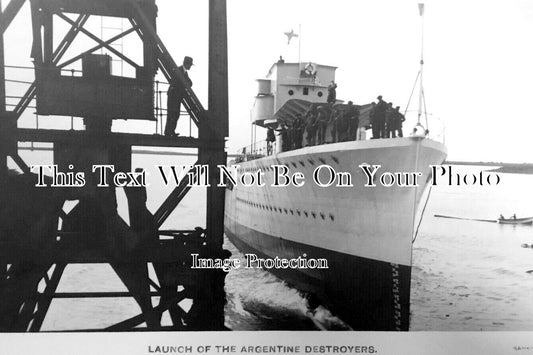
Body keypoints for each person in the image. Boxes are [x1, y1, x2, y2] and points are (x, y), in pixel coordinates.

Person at [164, 56, 193, 137]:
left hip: (176, 96)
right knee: (172, 114)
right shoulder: (179, 71)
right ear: (186, 64)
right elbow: (182, 82)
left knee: (175, 114)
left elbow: (190, 83)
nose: (190, 66)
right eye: (190, 64)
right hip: (174, 95)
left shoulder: (183, 72)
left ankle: (171, 131)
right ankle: (168, 132)